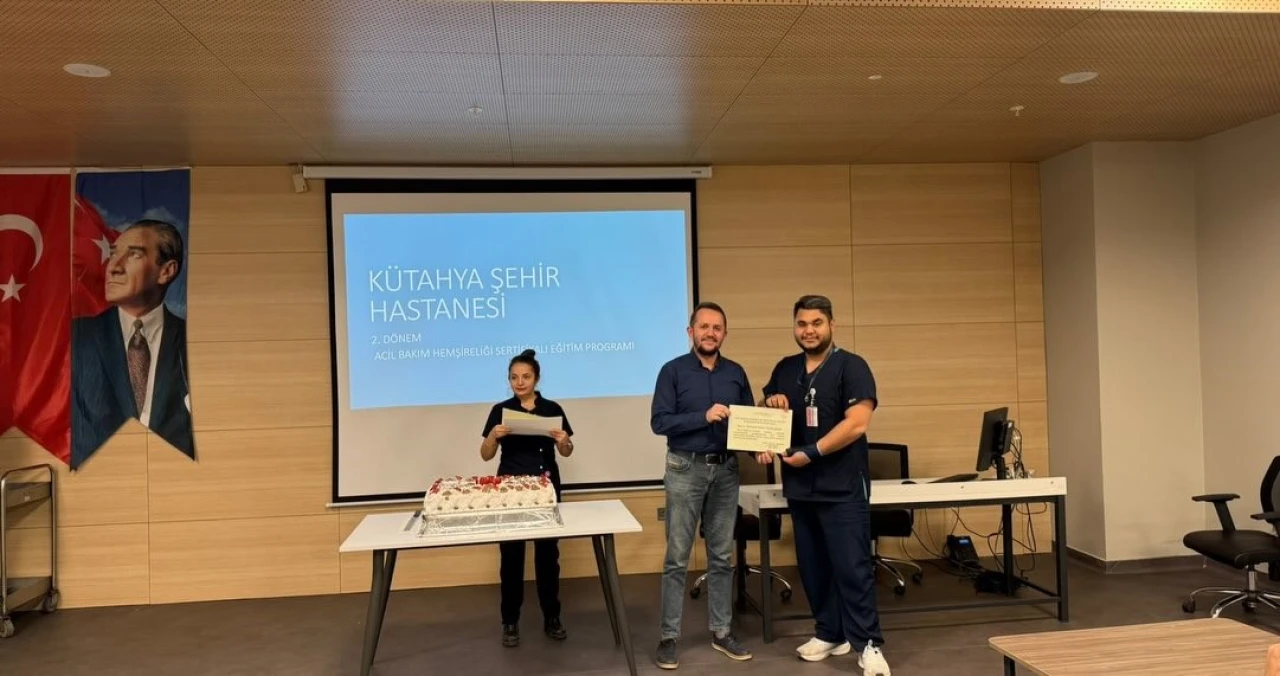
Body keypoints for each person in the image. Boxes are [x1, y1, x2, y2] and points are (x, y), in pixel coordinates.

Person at [756, 294, 890, 676]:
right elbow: (768, 418)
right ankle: (830, 633)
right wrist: (769, 412)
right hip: (801, 488)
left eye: (816, 323)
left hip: (843, 488)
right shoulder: (785, 368)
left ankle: (868, 644)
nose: (809, 330)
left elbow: (857, 424)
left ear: (832, 325)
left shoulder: (852, 366)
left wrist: (812, 452)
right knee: (813, 568)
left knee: (852, 568)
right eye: (802, 323)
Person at [650, 301, 754, 669]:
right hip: (685, 468)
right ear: (690, 331)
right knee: (677, 557)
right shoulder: (672, 371)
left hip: (726, 470)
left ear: (724, 333)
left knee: (722, 556)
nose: (710, 333)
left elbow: (748, 423)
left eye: (717, 328)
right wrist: (703, 416)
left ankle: (722, 631)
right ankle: (668, 637)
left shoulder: (736, 373)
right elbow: (660, 422)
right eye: (704, 326)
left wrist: (760, 448)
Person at [72, 219, 193, 468]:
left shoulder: (191, 340)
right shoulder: (76, 336)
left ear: (166, 271)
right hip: (99, 476)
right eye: (113, 254)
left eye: (134, 255)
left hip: (176, 474)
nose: (113, 268)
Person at [479, 349, 575, 648]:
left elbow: (567, 451)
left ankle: (552, 617)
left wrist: (564, 441)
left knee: (548, 556)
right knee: (511, 556)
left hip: (545, 487)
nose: (519, 382)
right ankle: (510, 621)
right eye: (514, 377)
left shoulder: (552, 409)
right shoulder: (501, 410)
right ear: (509, 380)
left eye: (526, 377)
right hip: (510, 490)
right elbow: (485, 455)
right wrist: (493, 436)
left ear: (536, 378)